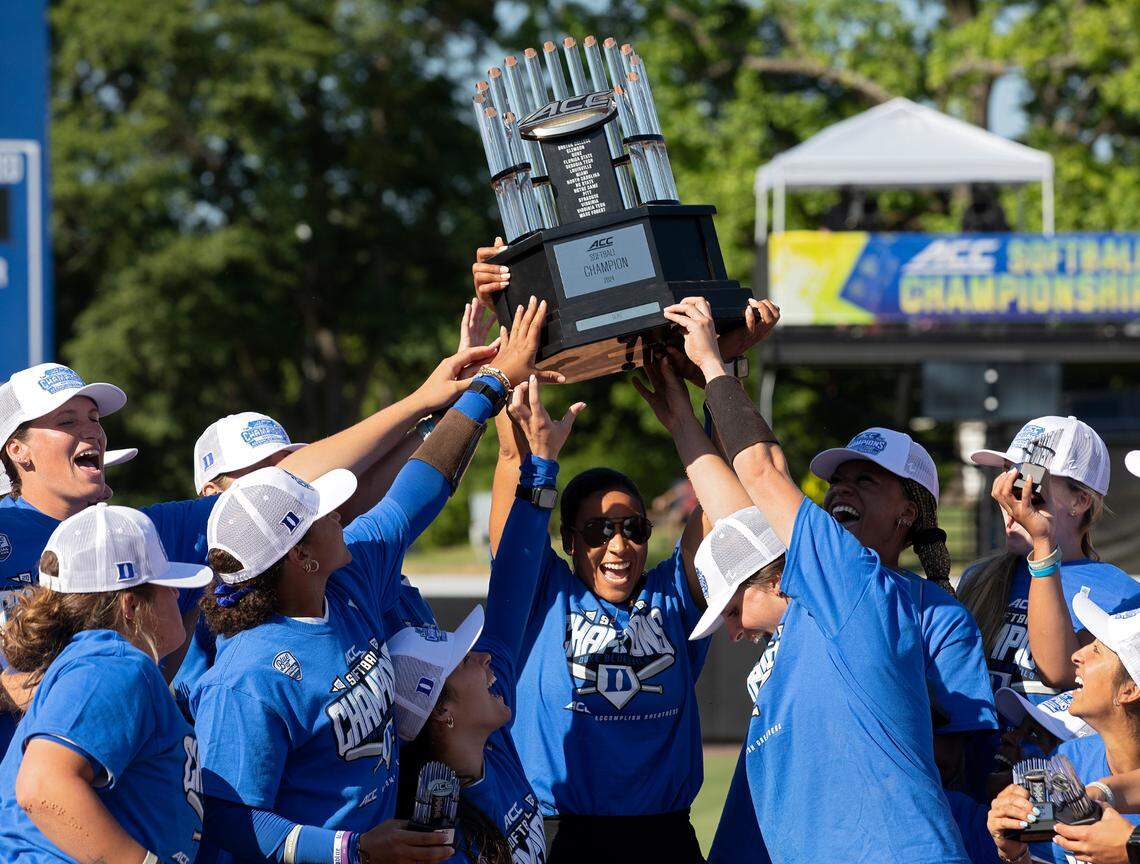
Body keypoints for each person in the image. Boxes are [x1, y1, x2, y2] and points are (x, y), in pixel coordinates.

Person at [190, 299, 547, 864]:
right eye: (320, 511)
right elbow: (232, 819)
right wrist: (348, 849)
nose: (342, 508)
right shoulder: (246, 675)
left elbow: (419, 491)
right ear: (300, 555)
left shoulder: (346, 580)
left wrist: (491, 385)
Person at [672, 296, 971, 862]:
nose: (841, 489)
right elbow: (736, 499)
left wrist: (715, 366)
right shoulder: (808, 585)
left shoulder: (880, 594)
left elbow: (761, 472)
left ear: (910, 511)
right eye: (838, 478)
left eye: (867, 480)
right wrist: (683, 403)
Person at [393, 377, 580, 864]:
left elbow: (512, 587)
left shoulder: (487, 736)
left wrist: (541, 467)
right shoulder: (436, 834)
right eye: (461, 662)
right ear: (442, 713)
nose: (482, 658)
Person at [0, 503, 212, 862]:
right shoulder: (111, 664)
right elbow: (42, 787)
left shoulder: (101, 662)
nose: (177, 593)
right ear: (130, 606)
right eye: (165, 584)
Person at [958, 416, 1138, 702]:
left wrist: (1043, 544)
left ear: (1081, 501)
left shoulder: (1119, 594)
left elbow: (1061, 674)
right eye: (1007, 476)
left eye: (1029, 483)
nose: (1012, 502)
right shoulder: (979, 578)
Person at [987, 594, 1140, 864]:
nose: (1076, 655)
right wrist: (1014, 853)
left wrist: (1132, 847)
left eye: (1096, 651)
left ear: (1130, 689)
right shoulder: (1069, 760)